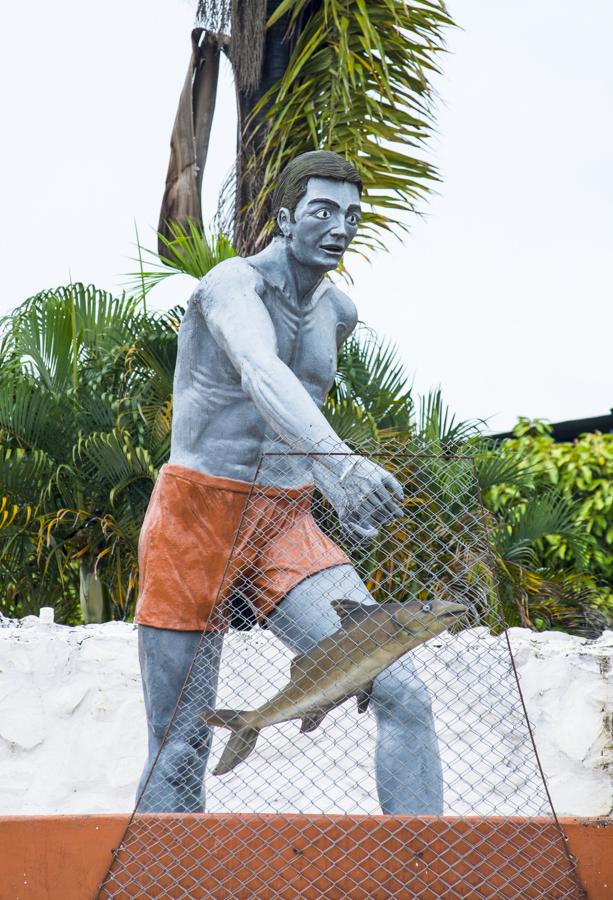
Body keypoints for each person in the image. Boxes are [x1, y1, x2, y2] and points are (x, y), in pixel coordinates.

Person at [134, 150, 443, 814]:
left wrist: (336, 488)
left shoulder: (339, 313)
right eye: (322, 211)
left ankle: (425, 874)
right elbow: (259, 371)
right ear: (283, 216)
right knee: (180, 741)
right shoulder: (231, 284)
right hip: (197, 516)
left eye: (352, 215)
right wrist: (339, 466)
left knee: (401, 692)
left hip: (285, 519)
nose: (339, 226)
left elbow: (294, 414)